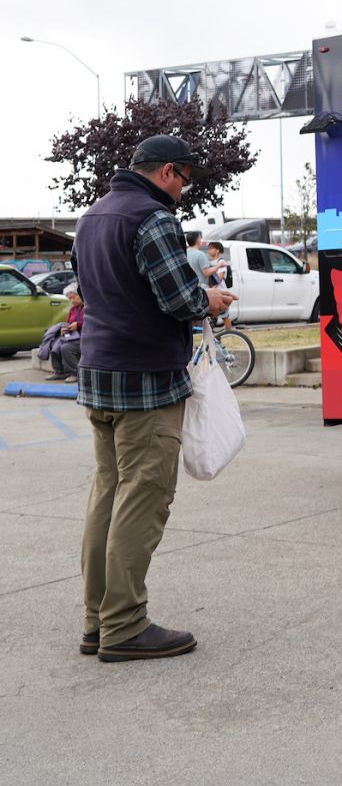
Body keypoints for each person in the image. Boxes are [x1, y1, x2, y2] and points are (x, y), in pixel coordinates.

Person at [71, 134, 236, 663]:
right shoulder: (153, 218)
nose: (183, 191)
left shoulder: (92, 216)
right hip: (146, 381)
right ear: (167, 171)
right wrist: (210, 300)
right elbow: (179, 298)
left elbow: (85, 292)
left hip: (99, 373)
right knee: (144, 497)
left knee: (108, 494)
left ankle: (97, 621)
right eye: (184, 180)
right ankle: (124, 624)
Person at [45, 286, 84, 382]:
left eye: (74, 297)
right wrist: (65, 329)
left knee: (66, 348)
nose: (72, 300)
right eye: (70, 298)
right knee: (54, 344)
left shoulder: (88, 307)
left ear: (80, 295)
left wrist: (78, 324)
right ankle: (59, 371)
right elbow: (68, 323)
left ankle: (75, 373)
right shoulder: (72, 309)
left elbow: (92, 322)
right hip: (73, 336)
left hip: (85, 337)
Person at [206, 241, 233, 333]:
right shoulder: (210, 262)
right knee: (212, 316)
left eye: (211, 248)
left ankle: (229, 333)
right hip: (213, 293)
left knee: (225, 316)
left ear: (217, 250)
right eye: (208, 248)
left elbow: (219, 278)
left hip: (221, 293)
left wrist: (212, 287)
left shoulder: (221, 262)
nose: (209, 250)